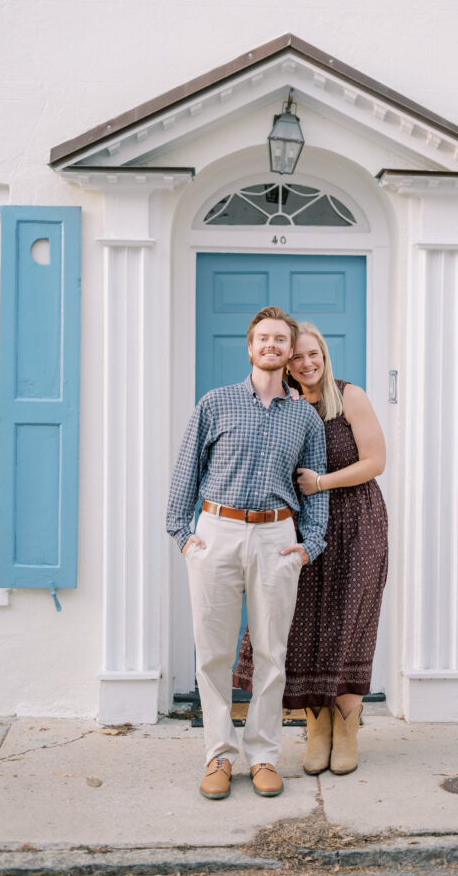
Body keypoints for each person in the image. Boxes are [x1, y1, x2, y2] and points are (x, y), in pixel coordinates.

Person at [166, 306, 329, 801]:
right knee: (213, 652)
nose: (272, 345)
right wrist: (183, 534)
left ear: (289, 349)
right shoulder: (215, 403)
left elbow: (315, 486)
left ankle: (263, 757)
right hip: (216, 532)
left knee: (271, 655)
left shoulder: (304, 416)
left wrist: (309, 545)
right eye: (264, 338)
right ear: (250, 345)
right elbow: (186, 471)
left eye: (281, 339)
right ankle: (218, 754)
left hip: (276, 539)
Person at [234, 321, 388, 777]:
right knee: (302, 625)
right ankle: (315, 729)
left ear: (324, 354)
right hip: (299, 528)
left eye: (312, 354)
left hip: (357, 521)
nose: (305, 363)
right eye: (296, 356)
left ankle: (347, 730)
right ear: (285, 361)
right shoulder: (282, 405)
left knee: (348, 624)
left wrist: (321, 481)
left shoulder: (350, 395)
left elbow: (376, 462)